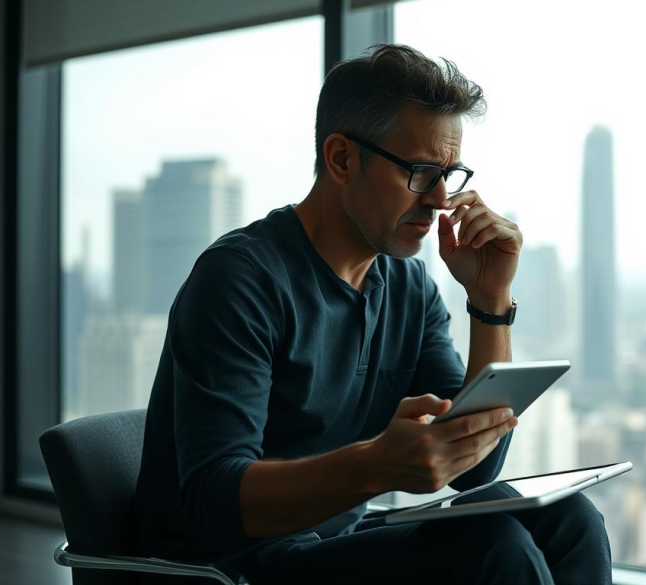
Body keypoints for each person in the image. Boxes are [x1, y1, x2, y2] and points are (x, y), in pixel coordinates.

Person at [133, 44, 612, 584]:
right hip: (228, 567)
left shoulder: (408, 286)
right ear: (341, 158)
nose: (439, 201)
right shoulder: (240, 279)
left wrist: (490, 301)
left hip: (330, 545)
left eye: (448, 175)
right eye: (421, 172)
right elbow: (215, 502)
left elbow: (476, 467)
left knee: (568, 519)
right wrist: (375, 464)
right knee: (488, 547)